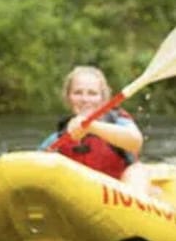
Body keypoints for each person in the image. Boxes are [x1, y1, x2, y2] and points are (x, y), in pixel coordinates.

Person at [38, 65, 152, 194]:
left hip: (120, 195)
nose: (85, 99)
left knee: (138, 171)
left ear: (103, 98)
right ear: (68, 98)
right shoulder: (59, 138)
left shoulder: (117, 121)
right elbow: (35, 165)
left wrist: (92, 127)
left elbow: (135, 142)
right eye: (77, 93)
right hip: (82, 198)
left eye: (92, 93)